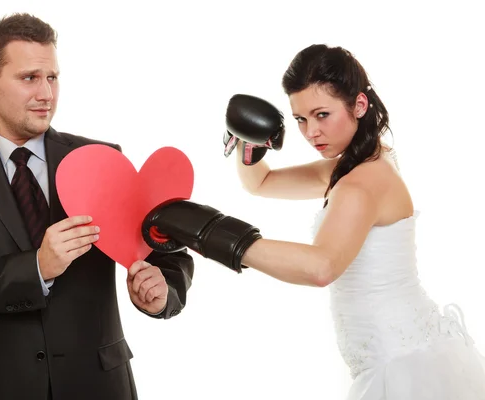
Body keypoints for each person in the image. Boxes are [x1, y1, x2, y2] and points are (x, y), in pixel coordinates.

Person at [142, 44, 485, 399]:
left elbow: (321, 267)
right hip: (402, 353)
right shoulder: (357, 163)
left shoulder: (361, 184)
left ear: (359, 105)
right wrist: (250, 148)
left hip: (401, 367)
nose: (310, 133)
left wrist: (211, 232)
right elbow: (261, 183)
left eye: (322, 114)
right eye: (300, 119)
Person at [0, 13, 194, 400]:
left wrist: (165, 292)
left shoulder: (100, 159)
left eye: (53, 77)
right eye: (29, 78)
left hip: (98, 384)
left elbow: (165, 249)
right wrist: (36, 268)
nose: (46, 93)